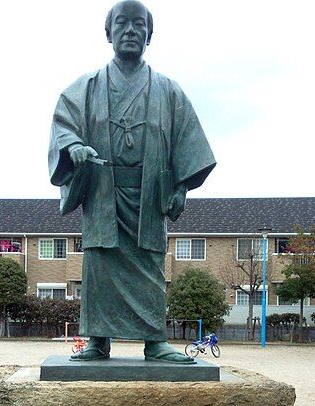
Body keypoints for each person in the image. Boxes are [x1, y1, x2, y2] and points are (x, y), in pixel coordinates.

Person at [49, 0, 216, 362]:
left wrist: (181, 186)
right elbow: (64, 126)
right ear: (108, 33)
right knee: (99, 267)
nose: (130, 30)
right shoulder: (87, 88)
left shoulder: (169, 92)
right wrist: (75, 145)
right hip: (103, 193)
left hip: (149, 196)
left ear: (149, 34)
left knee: (150, 267)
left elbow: (189, 144)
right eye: (121, 23)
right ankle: (97, 340)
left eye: (138, 24)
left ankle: (155, 341)